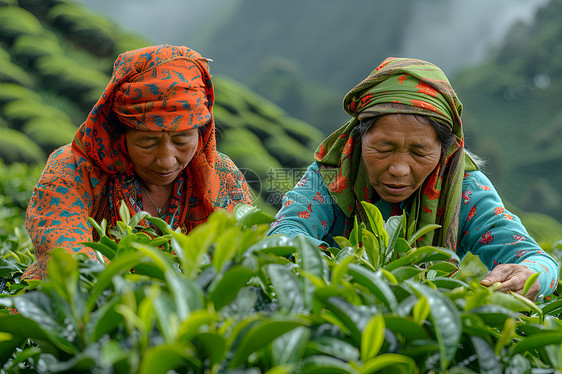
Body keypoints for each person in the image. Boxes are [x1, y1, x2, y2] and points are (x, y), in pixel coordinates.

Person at [268, 57, 559, 299]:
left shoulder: (464, 189)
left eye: (419, 152)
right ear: (358, 138)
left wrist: (529, 277)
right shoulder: (333, 176)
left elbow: (536, 260)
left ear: (445, 150)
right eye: (384, 148)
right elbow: (285, 233)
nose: (400, 169)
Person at [23, 44, 252, 280]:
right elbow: (66, 261)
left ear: (202, 133)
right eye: (147, 143)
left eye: (182, 140)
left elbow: (245, 260)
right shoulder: (72, 170)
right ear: (119, 134)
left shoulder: (222, 176)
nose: (166, 161)